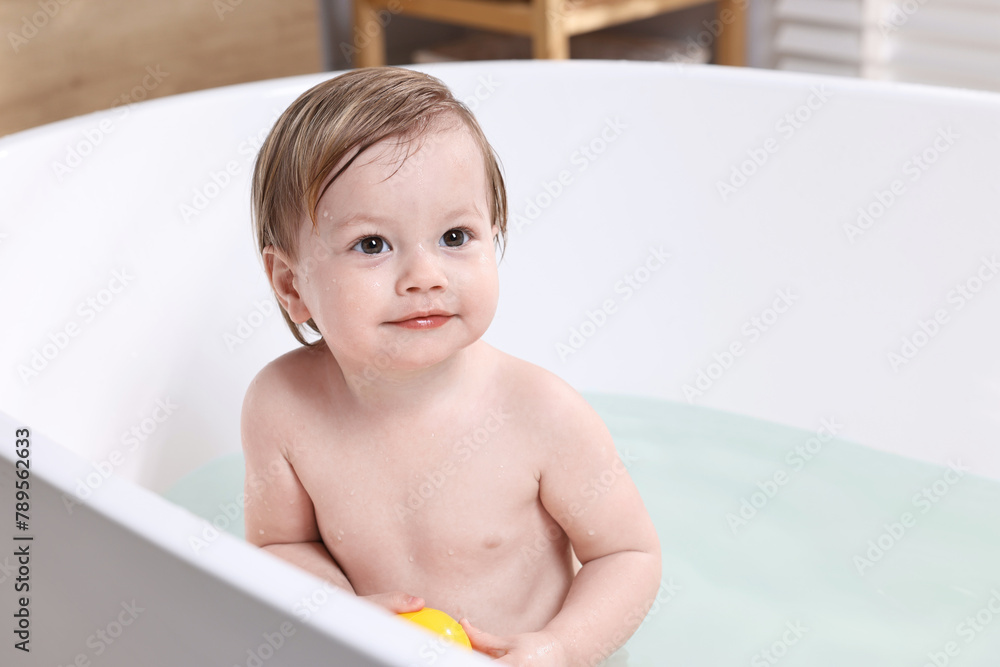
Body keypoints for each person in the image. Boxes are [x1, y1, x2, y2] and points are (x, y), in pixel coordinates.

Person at [242, 66, 660, 665]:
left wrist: (561, 648)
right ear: (291, 284)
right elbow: (280, 543)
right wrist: (338, 610)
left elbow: (628, 556)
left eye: (456, 236)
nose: (425, 277)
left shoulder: (540, 414)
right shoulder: (282, 405)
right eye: (372, 245)